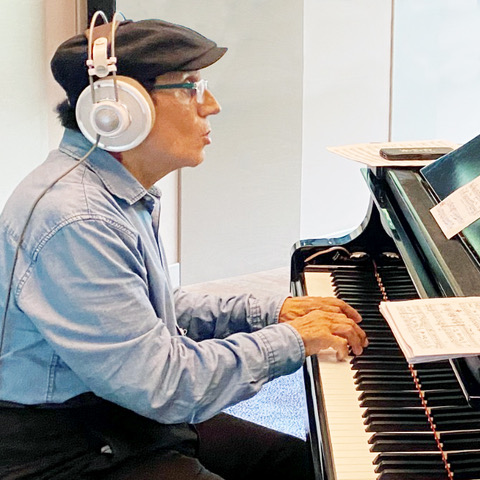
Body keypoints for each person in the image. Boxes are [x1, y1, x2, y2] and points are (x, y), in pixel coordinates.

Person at [0, 15, 368, 480]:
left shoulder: (110, 191)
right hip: (66, 444)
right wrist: (294, 340)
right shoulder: (78, 218)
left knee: (304, 464)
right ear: (118, 111)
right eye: (191, 87)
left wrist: (270, 312)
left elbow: (149, 312)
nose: (210, 105)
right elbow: (166, 385)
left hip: (119, 409)